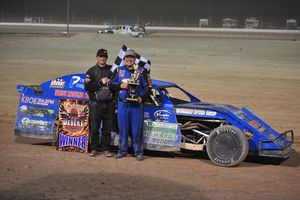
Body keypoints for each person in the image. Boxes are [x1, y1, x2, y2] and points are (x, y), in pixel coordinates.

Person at [110, 49, 148, 161]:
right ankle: (122, 150)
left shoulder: (141, 71)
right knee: (123, 129)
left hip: (136, 106)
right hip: (123, 105)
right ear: (124, 59)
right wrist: (120, 86)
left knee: (137, 130)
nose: (129, 59)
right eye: (127, 57)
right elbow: (111, 85)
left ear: (135, 59)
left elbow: (147, 87)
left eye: (131, 57)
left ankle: (139, 152)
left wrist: (141, 97)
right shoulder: (118, 70)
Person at [84, 49, 114, 157]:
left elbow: (117, 85)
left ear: (106, 58)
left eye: (104, 57)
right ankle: (94, 148)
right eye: (100, 56)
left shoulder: (112, 70)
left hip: (110, 104)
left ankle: (105, 149)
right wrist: (100, 82)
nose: (102, 58)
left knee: (107, 128)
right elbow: (87, 87)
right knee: (95, 127)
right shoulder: (91, 71)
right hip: (96, 104)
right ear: (97, 57)